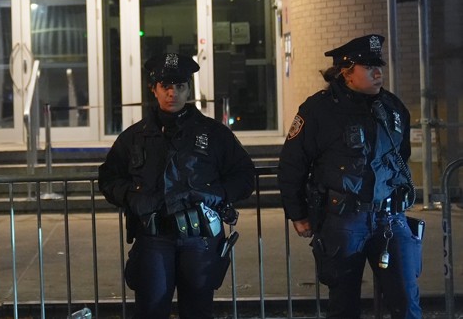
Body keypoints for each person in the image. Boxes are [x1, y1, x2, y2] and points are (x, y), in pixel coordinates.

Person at [99, 52, 256, 319]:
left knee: (198, 311)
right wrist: (132, 197)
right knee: (151, 310)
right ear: (155, 90)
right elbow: (109, 177)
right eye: (166, 86)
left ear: (188, 89)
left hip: (199, 239)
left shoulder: (214, 134)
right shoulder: (134, 137)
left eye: (180, 86)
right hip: (153, 238)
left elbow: (244, 175)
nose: (173, 93)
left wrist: (216, 196)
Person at [278, 34, 421, 318]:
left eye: (378, 64)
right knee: (344, 304)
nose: (377, 72)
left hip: (391, 218)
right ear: (346, 71)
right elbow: (293, 163)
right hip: (343, 220)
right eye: (368, 66)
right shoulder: (318, 109)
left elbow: (400, 154)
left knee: (406, 301)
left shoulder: (392, 106)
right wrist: (298, 213)